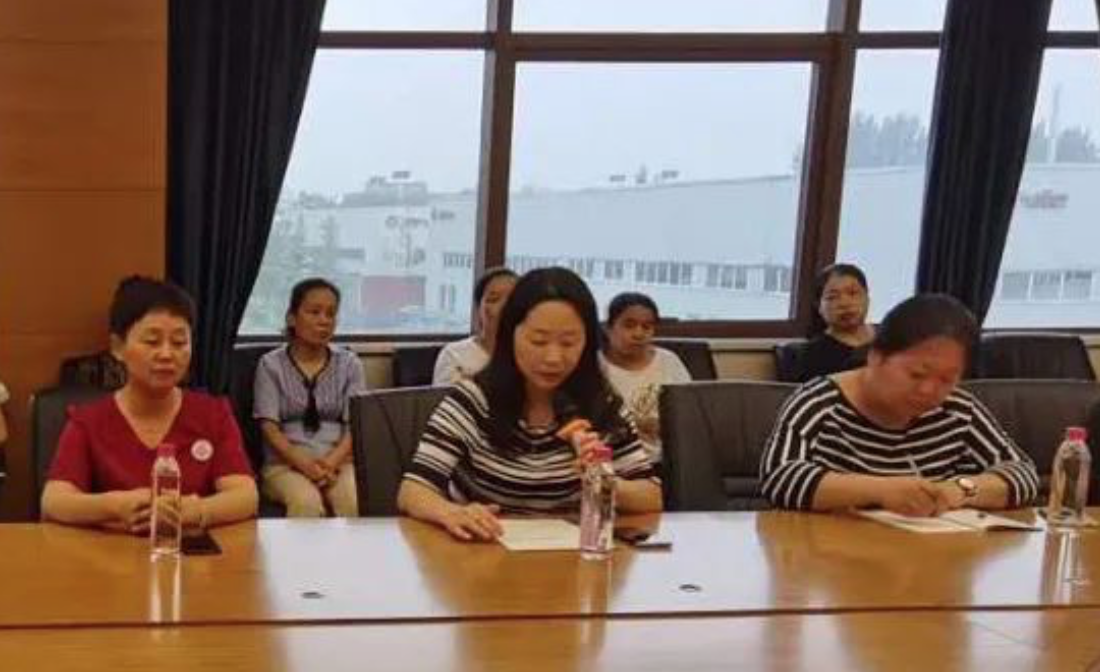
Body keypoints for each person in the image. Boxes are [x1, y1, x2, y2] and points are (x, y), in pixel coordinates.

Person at [399, 267, 662, 541]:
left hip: (571, 557)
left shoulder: (601, 404)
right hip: (483, 554)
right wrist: (451, 512)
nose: (553, 357)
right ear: (510, 336)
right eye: (538, 341)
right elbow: (413, 489)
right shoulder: (474, 399)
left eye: (569, 343)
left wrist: (602, 479)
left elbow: (652, 495)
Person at [761, 294, 1039, 516]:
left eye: (947, 379)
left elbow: (1022, 473)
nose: (929, 390)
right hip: (834, 557)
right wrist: (882, 491)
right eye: (916, 374)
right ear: (876, 357)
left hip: (933, 557)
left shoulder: (958, 410)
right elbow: (780, 478)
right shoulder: (818, 403)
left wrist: (960, 489)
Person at [42, 277, 258, 533]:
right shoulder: (88, 421)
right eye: (152, 342)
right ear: (118, 347)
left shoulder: (213, 414)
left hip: (189, 552)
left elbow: (245, 496)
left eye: (179, 343)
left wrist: (197, 510)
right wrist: (113, 506)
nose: (166, 354)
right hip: (108, 552)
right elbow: (54, 501)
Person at [254, 278, 366, 517]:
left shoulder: (350, 364)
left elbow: (356, 426)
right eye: (314, 312)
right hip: (285, 465)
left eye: (331, 314)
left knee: (352, 499)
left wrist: (330, 464)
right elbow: (269, 427)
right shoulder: (270, 364)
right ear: (291, 318)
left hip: (339, 463)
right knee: (306, 503)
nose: (324, 321)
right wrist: (304, 465)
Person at [599, 292, 691, 463]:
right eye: (629, 325)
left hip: (665, 462)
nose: (638, 334)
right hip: (612, 462)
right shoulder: (595, 366)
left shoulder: (669, 361)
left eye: (647, 327)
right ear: (608, 327)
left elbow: (690, 416)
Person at [432, 267, 518, 385]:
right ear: (479, 309)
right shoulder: (454, 354)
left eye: (512, 299)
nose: (504, 306)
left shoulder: (529, 354)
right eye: (494, 299)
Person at [794, 263, 875, 383]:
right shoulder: (811, 356)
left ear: (867, 298)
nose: (845, 303)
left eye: (853, 293)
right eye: (832, 297)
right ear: (819, 307)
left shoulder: (890, 338)